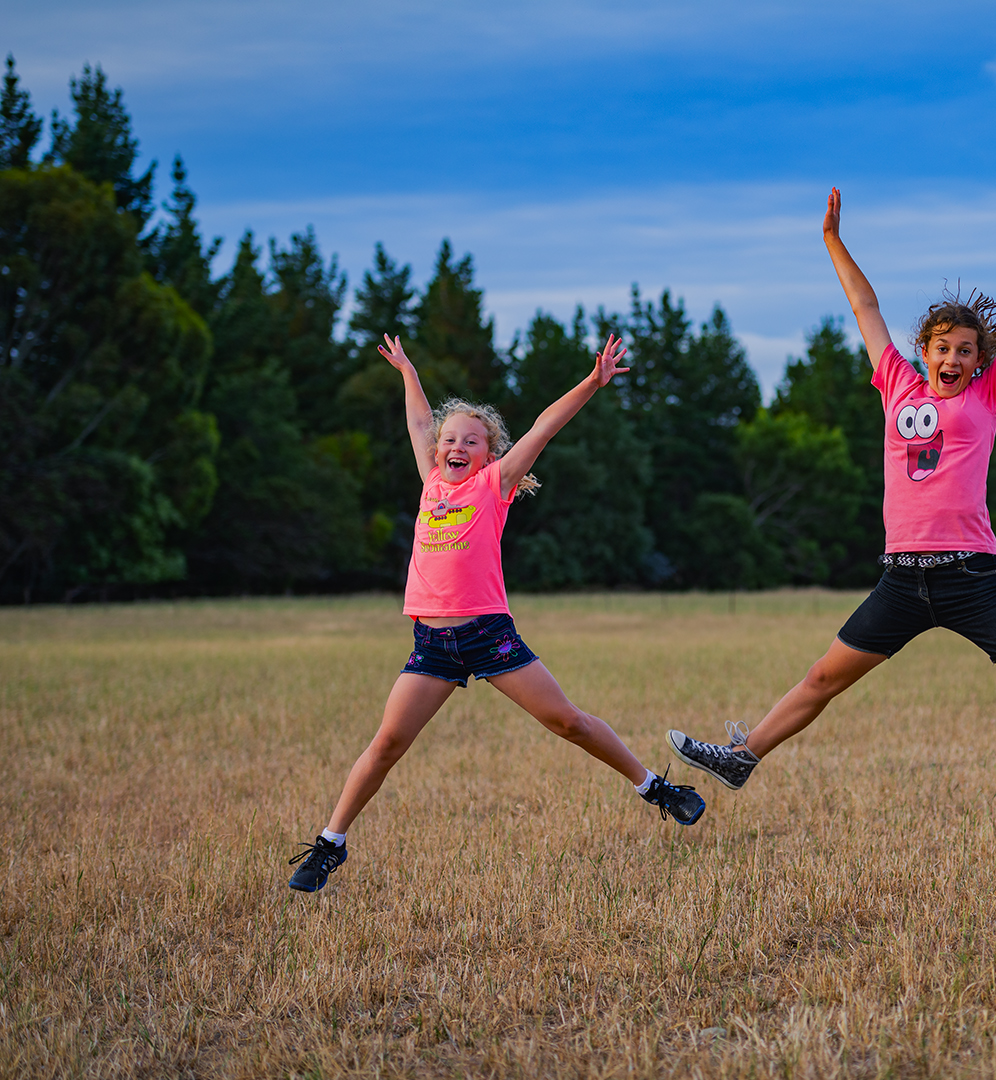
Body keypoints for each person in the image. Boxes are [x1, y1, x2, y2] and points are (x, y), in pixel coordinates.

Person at [668, 185, 996, 847]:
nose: (953, 359)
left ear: (979, 359)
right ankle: (742, 758)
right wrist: (832, 241)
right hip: (902, 580)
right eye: (942, 348)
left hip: (971, 578)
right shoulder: (896, 383)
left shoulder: (991, 393)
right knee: (822, 677)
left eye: (965, 350)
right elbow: (865, 304)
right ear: (925, 350)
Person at [288, 334, 705, 893]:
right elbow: (419, 422)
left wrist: (593, 382)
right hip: (432, 647)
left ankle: (655, 787)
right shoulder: (431, 484)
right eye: (449, 440)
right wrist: (409, 372)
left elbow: (544, 428)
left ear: (488, 455)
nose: (456, 446)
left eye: (471, 441)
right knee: (386, 744)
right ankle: (329, 844)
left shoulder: (492, 485)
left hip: (489, 637)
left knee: (568, 722)